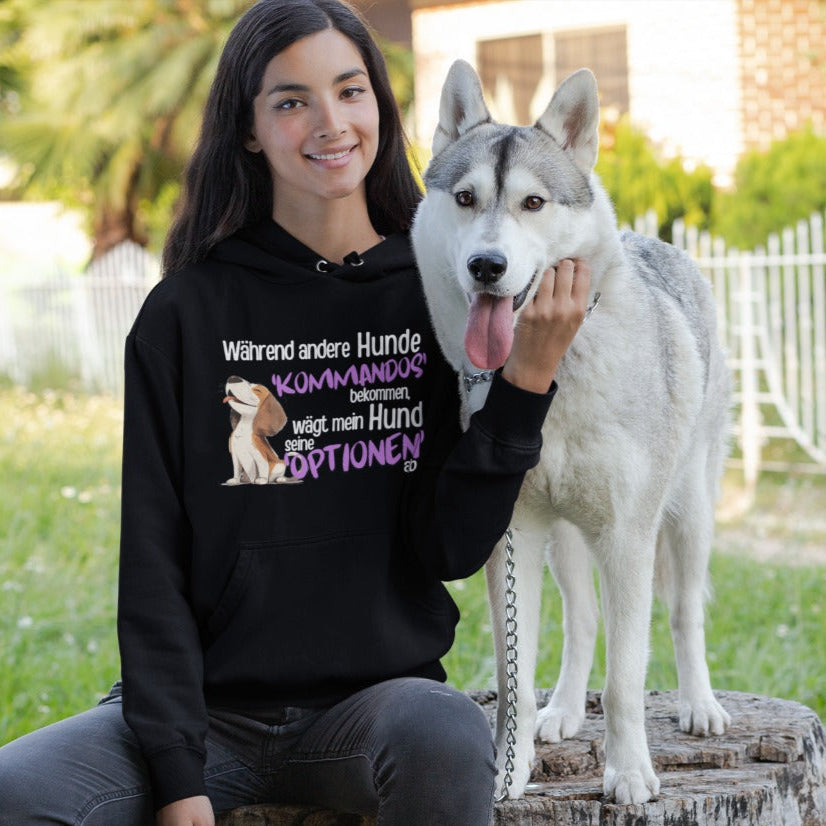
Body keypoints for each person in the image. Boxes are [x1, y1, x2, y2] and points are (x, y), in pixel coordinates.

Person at [0, 1, 591, 824]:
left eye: (351, 92)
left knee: (445, 731)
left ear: (379, 111)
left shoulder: (436, 297)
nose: (331, 122)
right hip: (206, 716)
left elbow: (450, 547)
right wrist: (179, 782)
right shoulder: (185, 313)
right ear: (247, 130)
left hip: (374, 713)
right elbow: (153, 565)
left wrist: (525, 382)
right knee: (14, 789)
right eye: (290, 101)